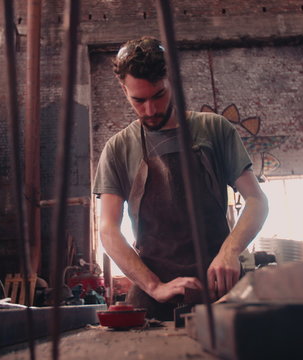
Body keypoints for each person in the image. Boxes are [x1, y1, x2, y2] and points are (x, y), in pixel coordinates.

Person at [93, 36, 268, 320]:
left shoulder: (214, 129)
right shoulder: (118, 149)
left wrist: (231, 251)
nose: (150, 110)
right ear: (124, 89)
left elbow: (257, 201)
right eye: (138, 100)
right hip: (154, 296)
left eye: (158, 95)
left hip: (219, 289)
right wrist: (154, 285)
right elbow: (108, 229)